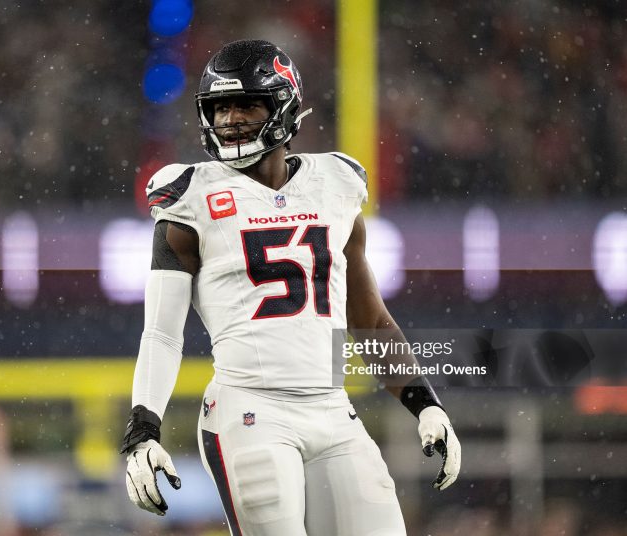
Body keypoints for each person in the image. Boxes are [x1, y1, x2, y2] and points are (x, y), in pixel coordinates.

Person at [120, 39, 461, 536]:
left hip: (330, 407)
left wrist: (423, 400)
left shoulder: (335, 185)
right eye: (220, 107)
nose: (231, 119)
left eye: (247, 104)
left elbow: (368, 320)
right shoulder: (190, 199)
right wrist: (142, 429)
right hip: (249, 411)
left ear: (284, 106)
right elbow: (162, 333)